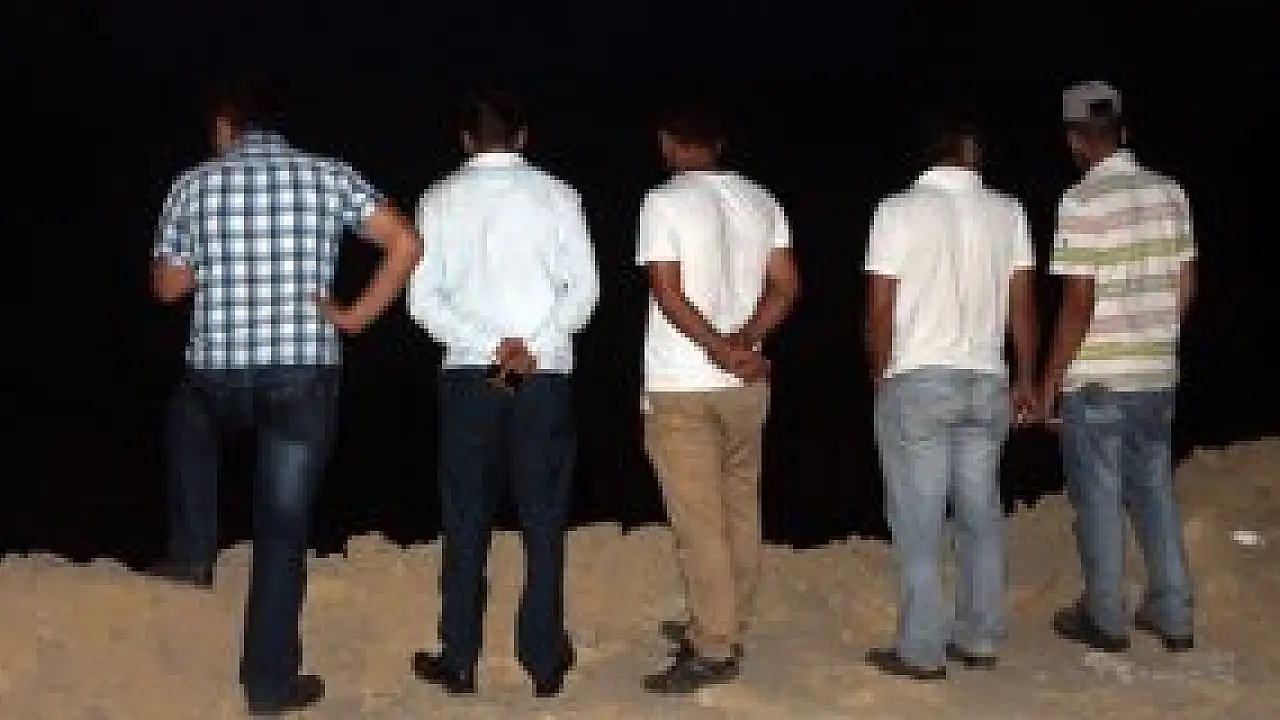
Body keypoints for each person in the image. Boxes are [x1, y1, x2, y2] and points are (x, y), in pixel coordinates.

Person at [149, 77, 421, 713]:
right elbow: (405, 243)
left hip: (217, 376)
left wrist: (206, 259)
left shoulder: (193, 184)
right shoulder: (327, 175)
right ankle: (269, 686)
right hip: (302, 374)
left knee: (187, 416)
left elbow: (168, 288)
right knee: (282, 527)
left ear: (226, 125)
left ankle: (192, 553)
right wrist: (354, 317)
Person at [406, 89, 600, 698]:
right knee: (544, 519)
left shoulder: (437, 199)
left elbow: (422, 301)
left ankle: (459, 658)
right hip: (544, 375)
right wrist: (528, 346)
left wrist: (491, 346)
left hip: (470, 376)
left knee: (465, 518)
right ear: (523, 137)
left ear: (465, 140)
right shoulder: (559, 195)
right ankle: (543, 659)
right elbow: (585, 291)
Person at [862, 109, 1038, 679]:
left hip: (919, 377)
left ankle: (921, 649)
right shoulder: (1008, 211)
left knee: (918, 522)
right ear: (972, 152)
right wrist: (1026, 377)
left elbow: (881, 305)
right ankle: (980, 637)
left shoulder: (896, 211)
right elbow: (1022, 303)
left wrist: (880, 373)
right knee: (980, 515)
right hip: (986, 379)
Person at [636, 100, 801, 694]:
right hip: (745, 386)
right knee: (739, 511)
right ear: (719, 144)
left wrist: (716, 347)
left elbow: (666, 290)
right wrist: (746, 341)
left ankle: (712, 647)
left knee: (699, 523)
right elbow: (787, 287)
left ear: (667, 143)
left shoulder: (663, 201)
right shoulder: (761, 199)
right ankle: (728, 622)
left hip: (684, 384)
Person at [1043, 81, 1197, 654]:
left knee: (1099, 497)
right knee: (1155, 489)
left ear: (1074, 141)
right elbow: (1186, 284)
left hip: (1099, 378)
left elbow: (1077, 301)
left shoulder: (1080, 201)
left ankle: (1105, 617)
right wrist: (1154, 337)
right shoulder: (1171, 192)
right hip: (1155, 373)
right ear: (1124, 131)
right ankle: (1173, 613)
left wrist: (1050, 379)